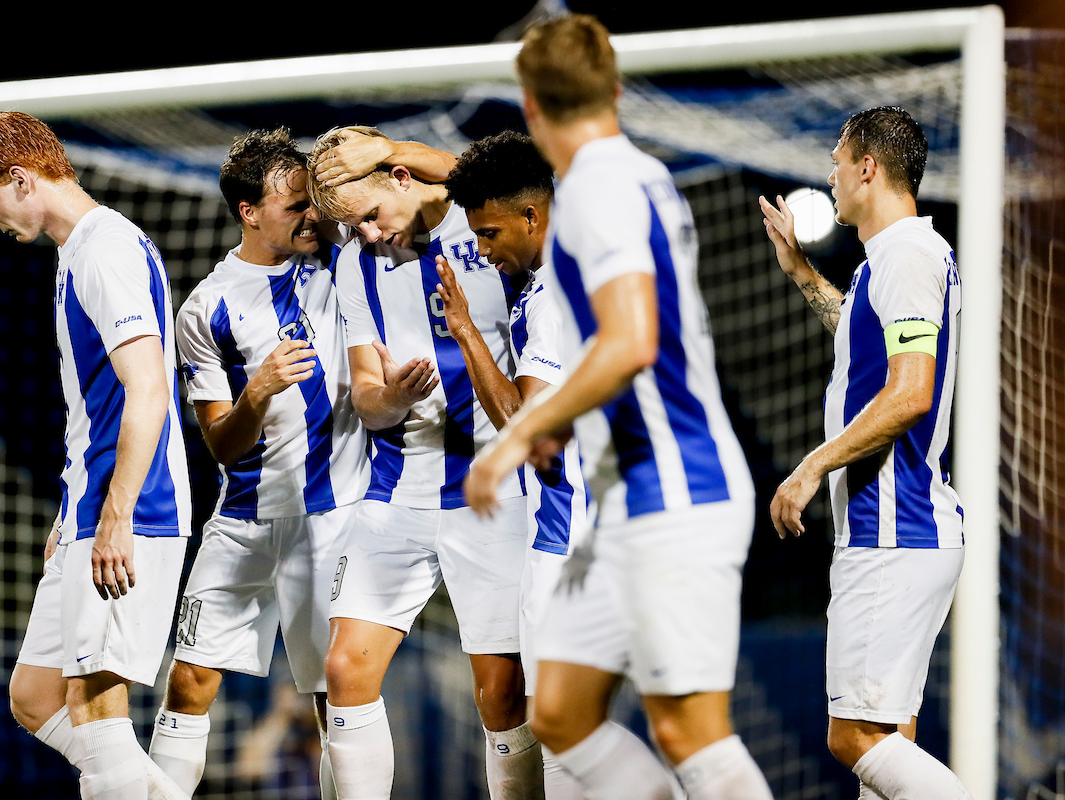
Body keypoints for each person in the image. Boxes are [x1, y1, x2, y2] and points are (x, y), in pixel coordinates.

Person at [466, 14, 773, 800]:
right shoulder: (638, 174)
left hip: (676, 489)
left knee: (691, 734)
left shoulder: (596, 188)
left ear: (531, 107)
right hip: (624, 501)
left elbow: (632, 339)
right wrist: (568, 420)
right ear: (617, 91)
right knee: (560, 714)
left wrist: (519, 435)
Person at [0, 110, 192, 800]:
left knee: (96, 715)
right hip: (90, 507)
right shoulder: (78, 252)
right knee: (34, 696)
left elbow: (148, 389)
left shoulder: (105, 248)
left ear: (21, 179)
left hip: (131, 509)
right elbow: (96, 408)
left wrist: (116, 517)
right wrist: (72, 511)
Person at [307, 126, 540, 800]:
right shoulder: (355, 264)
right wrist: (393, 398)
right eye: (353, 227)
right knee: (344, 669)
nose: (368, 234)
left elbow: (515, 177)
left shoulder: (484, 224)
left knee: (501, 694)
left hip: (494, 489)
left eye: (371, 215)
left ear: (403, 178)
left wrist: (389, 150)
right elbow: (367, 396)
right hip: (398, 490)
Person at [145, 128, 369, 800]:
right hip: (243, 520)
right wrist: (259, 390)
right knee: (189, 680)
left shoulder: (340, 261)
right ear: (249, 212)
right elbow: (222, 444)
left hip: (329, 517)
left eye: (312, 202)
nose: (310, 216)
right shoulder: (205, 309)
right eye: (294, 206)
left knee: (334, 695)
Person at [760, 106, 971, 800]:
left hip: (894, 530)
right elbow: (865, 347)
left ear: (868, 168)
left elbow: (910, 393)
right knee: (887, 745)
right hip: (903, 532)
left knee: (852, 737)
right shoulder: (892, 259)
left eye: (837, 161)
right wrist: (800, 271)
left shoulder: (907, 255)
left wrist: (812, 465)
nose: (830, 176)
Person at [437, 131, 589, 800]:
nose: (482, 249)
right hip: (583, 529)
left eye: (490, 232)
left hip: (570, 534)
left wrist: (466, 330)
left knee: (561, 731)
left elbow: (525, 425)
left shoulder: (553, 296)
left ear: (532, 215)